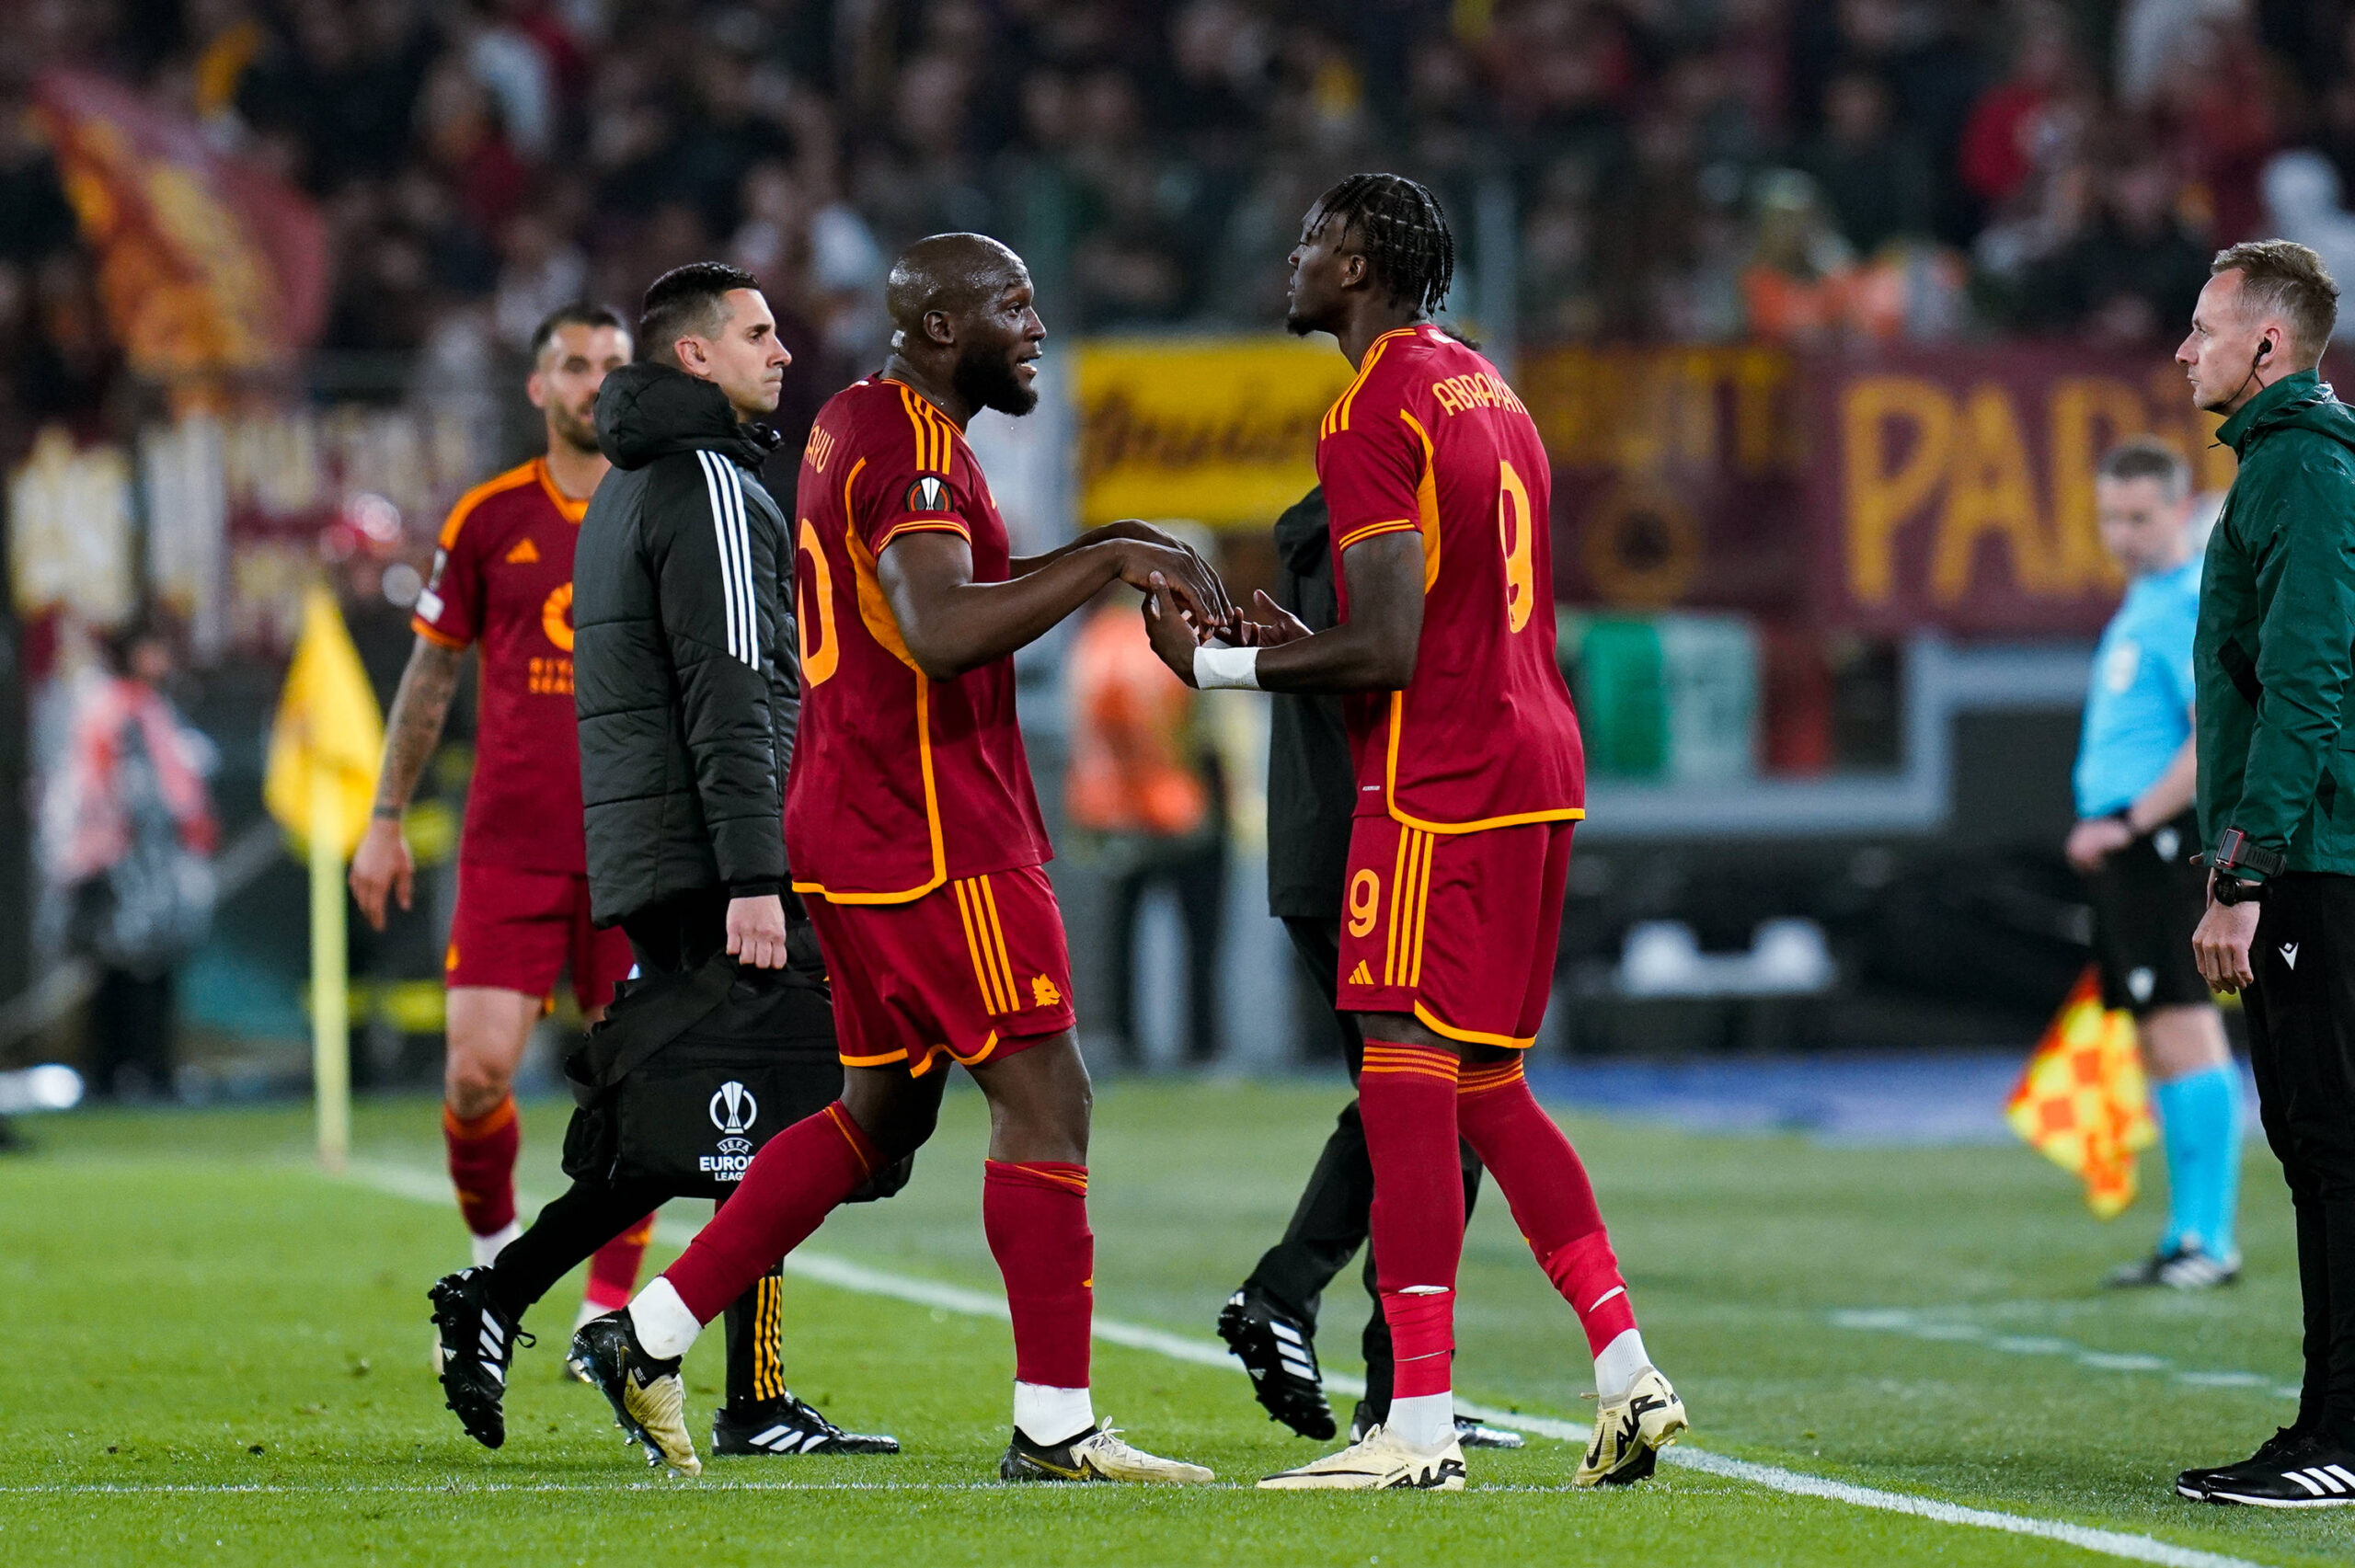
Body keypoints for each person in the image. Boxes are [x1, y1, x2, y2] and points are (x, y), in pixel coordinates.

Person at [568, 234, 1231, 1484]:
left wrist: (1118, 539)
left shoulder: (859, 423)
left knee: (879, 1112)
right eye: (1012, 307)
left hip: (858, 826)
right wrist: (1107, 561)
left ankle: (648, 1334)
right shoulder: (917, 451)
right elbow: (937, 627)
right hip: (935, 839)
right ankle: (1056, 1427)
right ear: (940, 329)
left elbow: (932, 600)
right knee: (1048, 1099)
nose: (1035, 327)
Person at [1141, 173, 1687, 1492]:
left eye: (1315, 239)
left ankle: (1419, 1425)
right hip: (1534, 756)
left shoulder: (1370, 402)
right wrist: (1298, 645)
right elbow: (1426, 616)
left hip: (1442, 776)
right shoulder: (1490, 390)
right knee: (1485, 1080)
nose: (1293, 257)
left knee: (1402, 1063)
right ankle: (1627, 1371)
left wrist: (1211, 672)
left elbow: (1386, 647)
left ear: (1369, 263)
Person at [412, 278, 891, 1462]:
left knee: (689, 1120)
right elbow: (738, 695)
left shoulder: (626, 486)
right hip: (718, 850)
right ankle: (742, 1389)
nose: (785, 351)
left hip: (652, 846)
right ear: (694, 352)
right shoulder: (717, 487)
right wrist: (758, 873)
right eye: (758, 333)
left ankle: (504, 1296)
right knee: (798, 1108)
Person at [350, 304, 655, 1328]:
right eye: (574, 365)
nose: (594, 384)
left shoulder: (664, 510)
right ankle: (493, 1270)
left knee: (638, 1092)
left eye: (613, 366)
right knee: (476, 1072)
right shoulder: (488, 518)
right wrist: (386, 815)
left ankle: (605, 1312)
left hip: (638, 845)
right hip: (513, 845)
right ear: (538, 388)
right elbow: (432, 676)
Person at [1213, 484, 1521, 1452]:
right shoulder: (1377, 527)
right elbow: (1385, 668)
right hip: (1370, 844)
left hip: (1326, 843)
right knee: (1439, 1106)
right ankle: (1365, 1362)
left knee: (1411, 1103)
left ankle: (1371, 1362)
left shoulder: (1333, 526)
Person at [2176, 239, 2355, 1507]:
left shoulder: (2300, 469)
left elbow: (2304, 679)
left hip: (2318, 862)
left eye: (2203, 327)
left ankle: (2341, 1434)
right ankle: (2328, 1422)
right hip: (2311, 852)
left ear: (2268, 346)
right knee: (2317, 1143)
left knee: (2333, 1143)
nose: (2183, 349)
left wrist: (2246, 870)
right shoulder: (2286, 467)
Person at [2064, 438, 2242, 1291]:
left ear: (2180, 510)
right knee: (2161, 1034)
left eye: (2138, 515)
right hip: (2135, 846)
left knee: (2184, 1025)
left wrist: (2128, 820)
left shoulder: (2183, 606)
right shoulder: (2145, 602)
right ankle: (2187, 1235)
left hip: (2162, 843)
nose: (2121, 532)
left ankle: (2209, 1237)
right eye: (2110, 515)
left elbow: (2212, 738)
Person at [47, 617, 217, 1099]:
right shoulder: (115, 708)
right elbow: (113, 790)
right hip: (119, 866)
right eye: (152, 649)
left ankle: (146, 1068)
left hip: (150, 865)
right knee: (119, 971)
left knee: (150, 969)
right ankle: (115, 1072)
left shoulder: (152, 706)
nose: (160, 660)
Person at [1065, 590, 1227, 1068]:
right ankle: (1203, 1046)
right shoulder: (1192, 635)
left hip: (1116, 810)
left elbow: (1081, 730)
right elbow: (1205, 725)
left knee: (1121, 936)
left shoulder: (1096, 640)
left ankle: (1124, 1040)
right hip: (1185, 802)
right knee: (1200, 935)